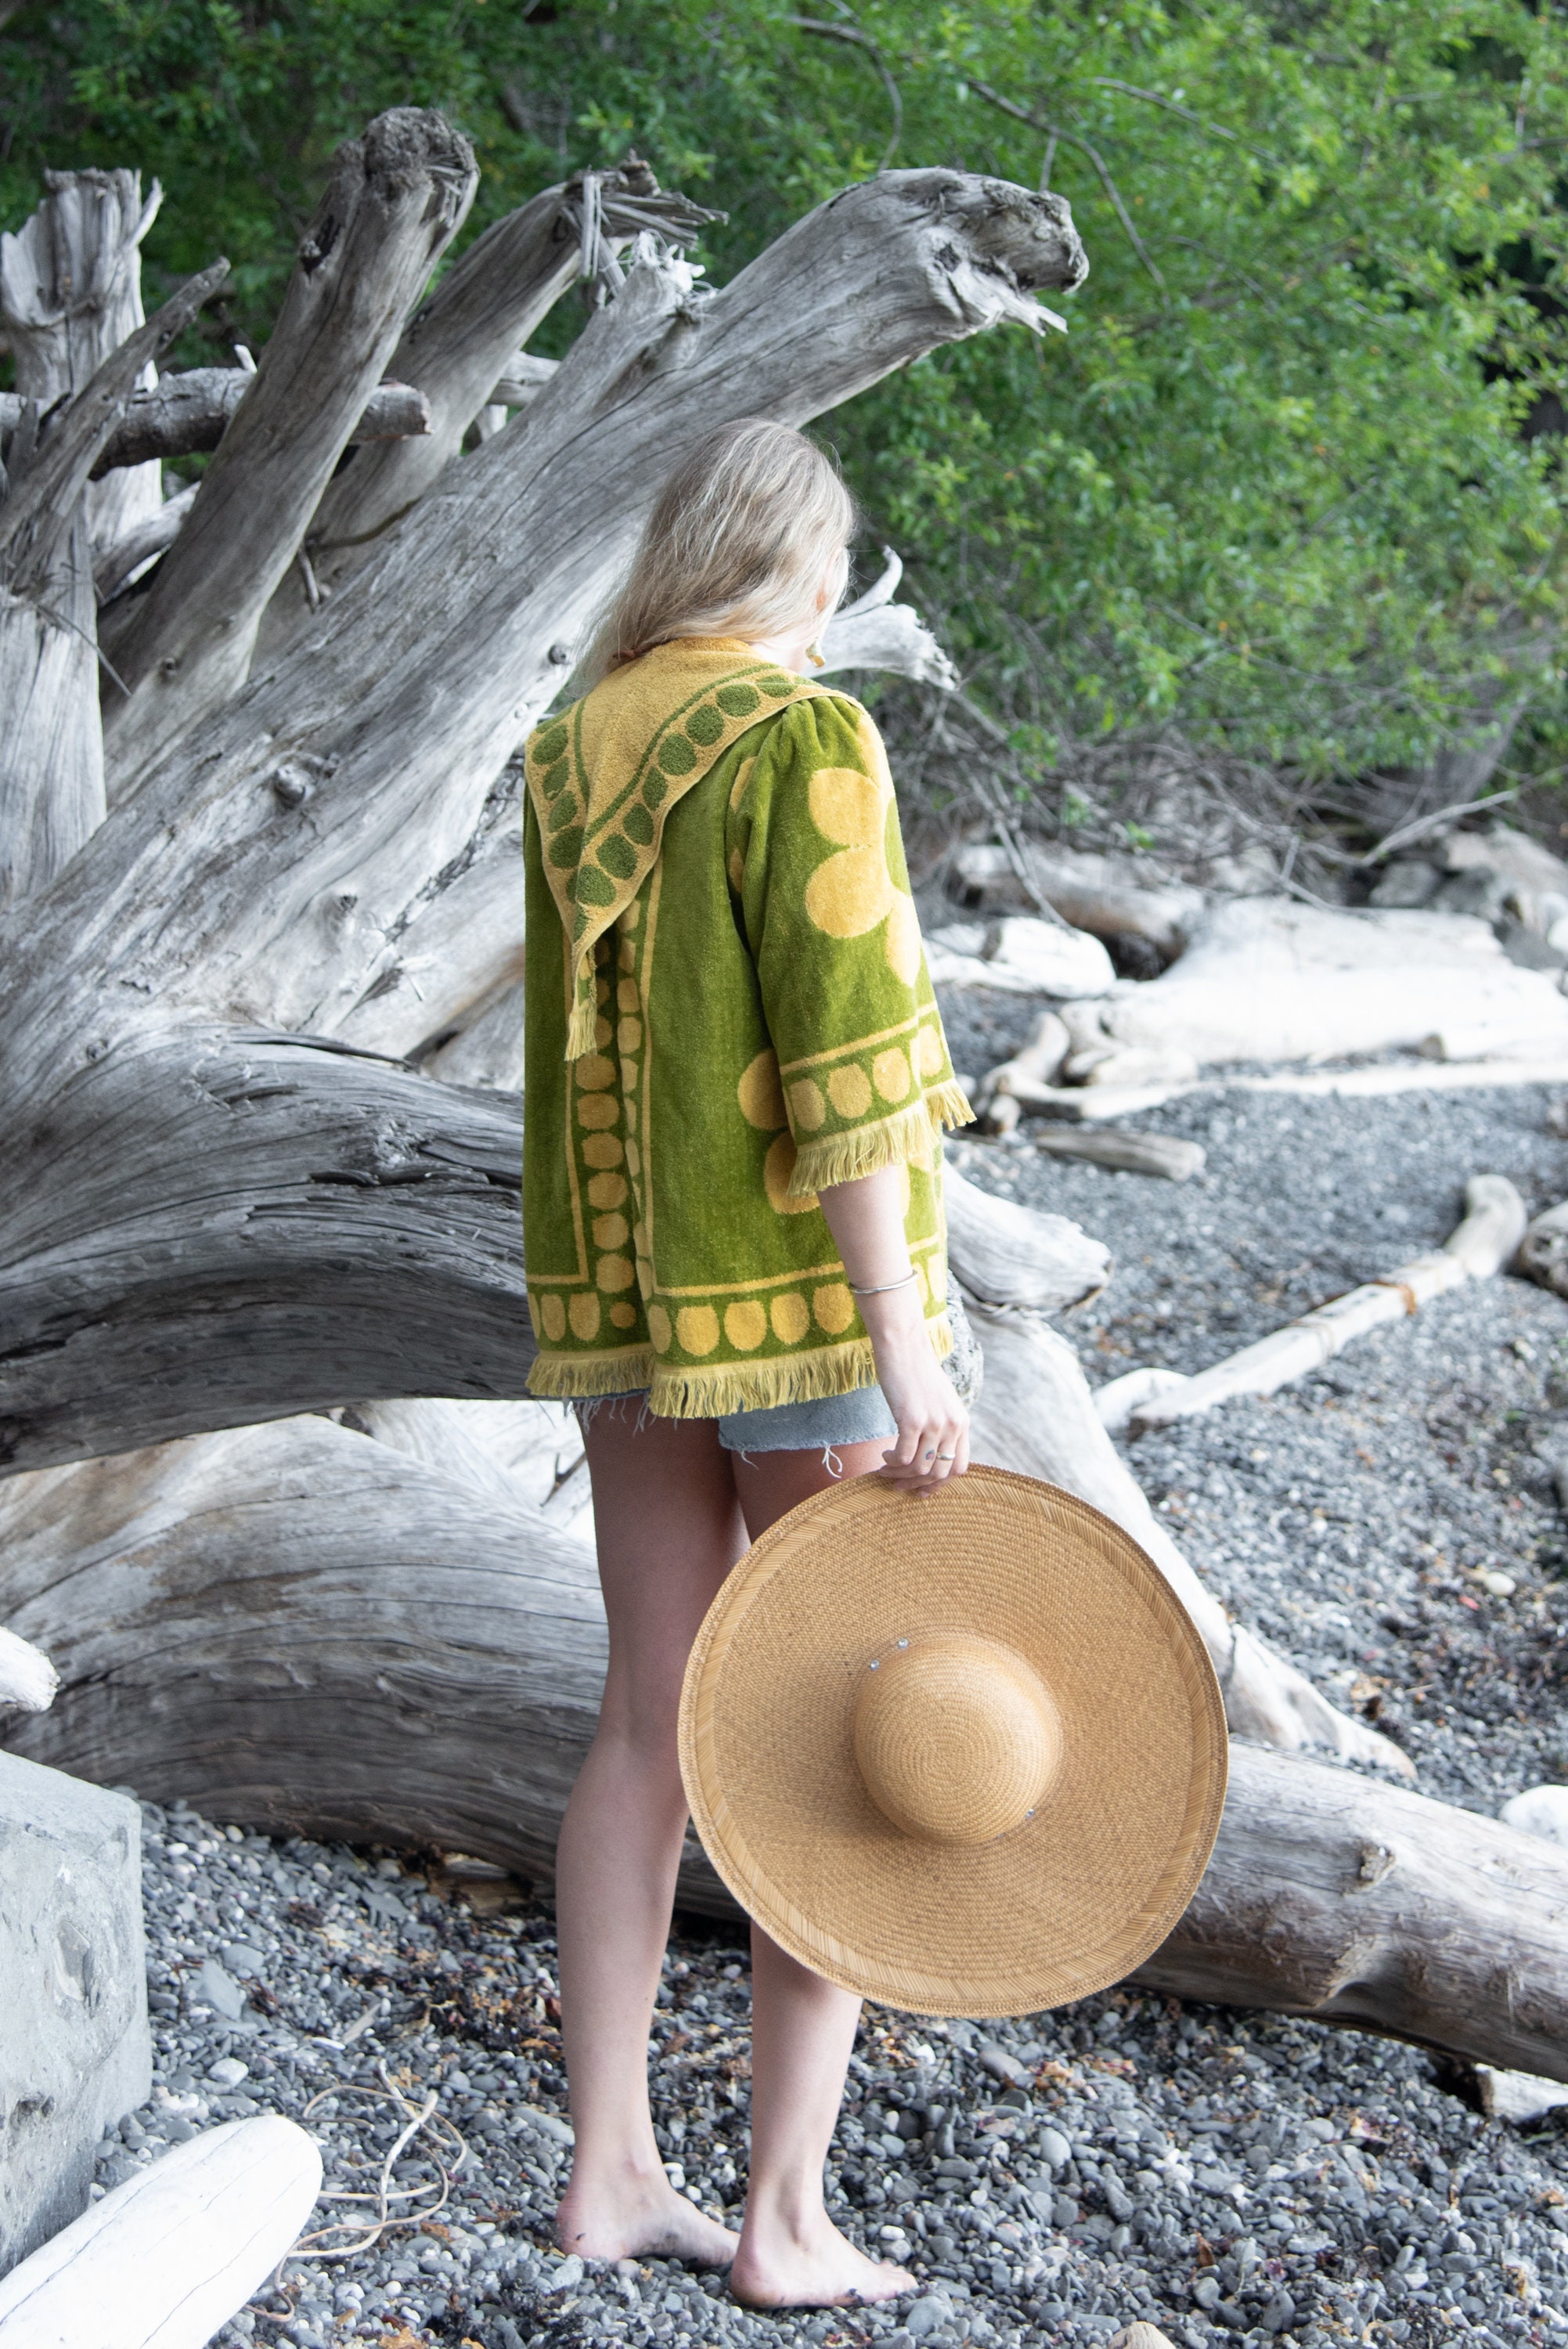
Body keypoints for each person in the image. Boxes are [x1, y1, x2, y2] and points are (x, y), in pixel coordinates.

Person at [520, 417, 973, 2310]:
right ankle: (783, 2224)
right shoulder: (801, 739)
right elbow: (848, 1068)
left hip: (630, 1310)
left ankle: (612, 2176)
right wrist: (910, 1348)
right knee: (848, 1732)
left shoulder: (579, 744)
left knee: (650, 1716)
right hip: (792, 1312)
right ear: (791, 569)